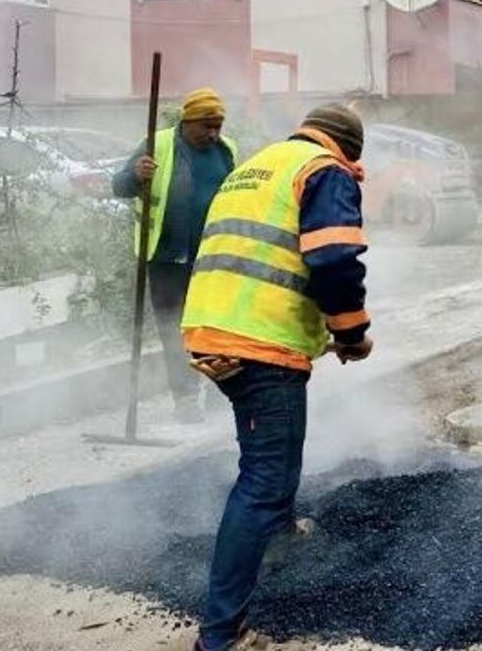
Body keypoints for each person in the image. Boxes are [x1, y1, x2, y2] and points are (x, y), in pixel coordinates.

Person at [181, 104, 373, 651]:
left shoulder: (259, 166)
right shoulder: (325, 170)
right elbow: (334, 260)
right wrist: (352, 334)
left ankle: (283, 535)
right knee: (263, 479)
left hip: (214, 328)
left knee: (277, 454)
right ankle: (221, 635)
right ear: (348, 150)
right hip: (260, 342)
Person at [112, 87, 238, 423]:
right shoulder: (159, 144)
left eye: (218, 126)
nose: (213, 134)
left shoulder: (227, 150)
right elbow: (118, 186)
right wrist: (136, 175)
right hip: (167, 258)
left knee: (215, 327)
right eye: (206, 127)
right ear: (188, 121)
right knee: (175, 331)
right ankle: (185, 398)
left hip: (214, 257)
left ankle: (218, 392)